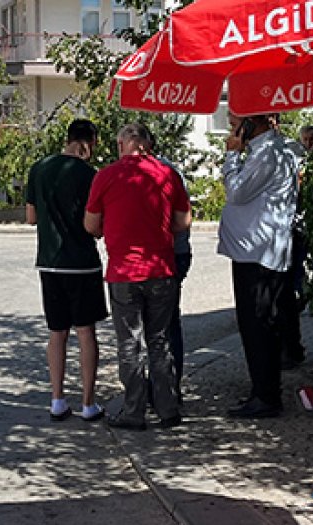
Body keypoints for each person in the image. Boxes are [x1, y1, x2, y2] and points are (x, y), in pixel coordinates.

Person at [85, 123, 192, 431]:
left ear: (122, 145)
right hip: (161, 270)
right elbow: (183, 221)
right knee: (160, 341)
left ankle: (134, 411)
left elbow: (91, 225)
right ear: (147, 144)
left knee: (129, 344)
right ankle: (168, 409)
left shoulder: (105, 176)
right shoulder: (167, 174)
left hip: (124, 273)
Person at [24, 119, 107, 422]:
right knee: (86, 332)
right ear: (89, 143)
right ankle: (88, 403)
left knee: (56, 333)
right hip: (83, 264)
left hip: (49, 262)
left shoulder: (39, 168)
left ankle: (57, 399)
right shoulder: (91, 175)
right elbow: (96, 227)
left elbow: (31, 217)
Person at [219, 113, 300, 418]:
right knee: (263, 322)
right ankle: (264, 388)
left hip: (257, 251)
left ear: (252, 123)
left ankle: (265, 395)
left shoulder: (267, 154)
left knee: (256, 324)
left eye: (234, 120)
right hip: (262, 248)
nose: (231, 127)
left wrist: (230, 155)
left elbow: (237, 191)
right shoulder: (275, 149)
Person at [143, 130, 192, 403]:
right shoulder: (170, 171)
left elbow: (182, 219)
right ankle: (167, 389)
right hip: (175, 253)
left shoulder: (165, 173)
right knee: (167, 323)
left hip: (169, 255)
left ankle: (165, 389)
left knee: (164, 325)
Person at [280, 125, 313, 369]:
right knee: (289, 287)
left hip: (303, 230)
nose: (308, 144)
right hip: (292, 231)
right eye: (305, 139)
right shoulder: (294, 158)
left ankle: (291, 347)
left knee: (292, 286)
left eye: (312, 139)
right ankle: (291, 347)